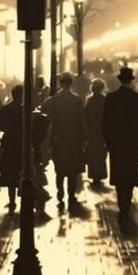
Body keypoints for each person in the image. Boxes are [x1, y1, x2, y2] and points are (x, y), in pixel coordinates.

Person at [102, 65, 138, 223]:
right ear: (131, 81)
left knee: (118, 173)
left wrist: (107, 142)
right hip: (133, 144)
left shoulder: (111, 98)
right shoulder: (137, 99)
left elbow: (105, 123)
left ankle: (121, 202)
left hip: (117, 144)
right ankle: (126, 202)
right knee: (130, 173)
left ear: (119, 80)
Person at [48, 72, 87, 210]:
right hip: (74, 139)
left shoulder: (53, 100)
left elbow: (49, 120)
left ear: (60, 84)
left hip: (58, 139)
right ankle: (71, 194)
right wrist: (84, 137)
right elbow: (82, 120)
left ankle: (60, 193)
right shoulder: (77, 100)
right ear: (71, 84)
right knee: (72, 170)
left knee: (59, 169)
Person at [0, 84, 25, 215]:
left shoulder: (5, 109)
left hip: (9, 143)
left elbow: (0, 126)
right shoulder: (25, 109)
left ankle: (11, 199)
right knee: (22, 170)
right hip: (21, 143)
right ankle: (24, 197)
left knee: (10, 172)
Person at [84, 79, 107, 186]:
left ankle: (94, 175)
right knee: (101, 155)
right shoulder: (105, 100)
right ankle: (99, 174)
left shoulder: (89, 100)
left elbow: (85, 116)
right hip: (102, 132)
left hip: (92, 131)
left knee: (93, 154)